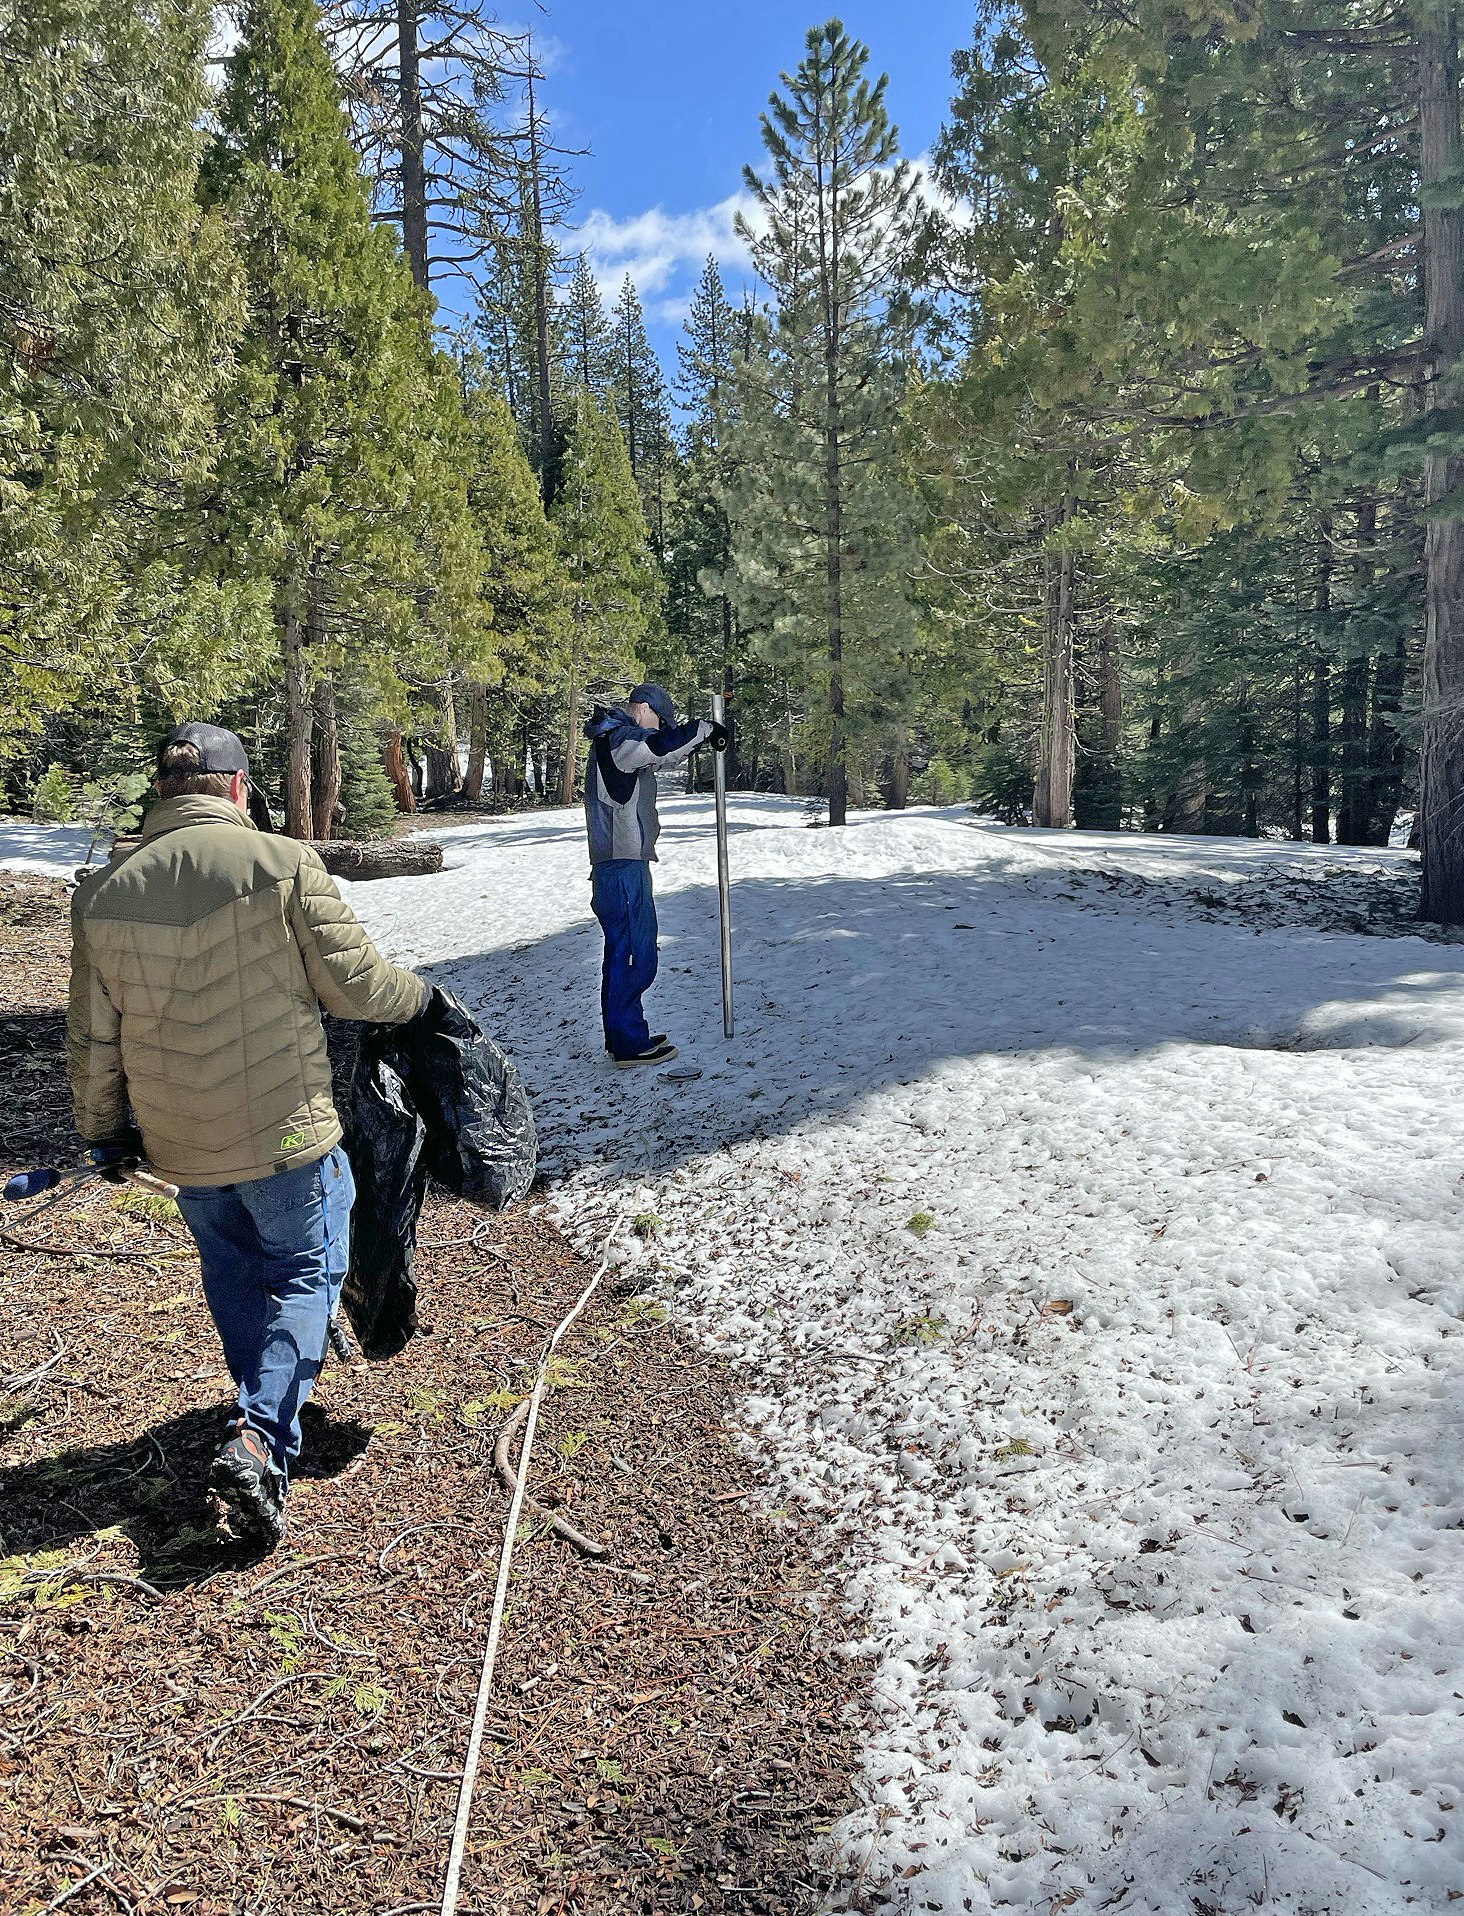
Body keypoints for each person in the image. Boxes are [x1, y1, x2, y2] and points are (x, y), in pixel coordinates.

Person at [65, 722, 427, 1547]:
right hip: (283, 1134)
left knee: (231, 1268)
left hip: (180, 1144)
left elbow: (93, 1034)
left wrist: (103, 1132)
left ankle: (253, 1406)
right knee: (306, 1272)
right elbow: (359, 987)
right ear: (237, 788)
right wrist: (426, 1007)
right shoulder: (284, 862)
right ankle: (262, 1435)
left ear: (163, 792)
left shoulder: (104, 891)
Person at [583, 684, 728, 1066]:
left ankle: (625, 1034)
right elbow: (657, 747)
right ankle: (630, 1044)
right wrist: (701, 728)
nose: (659, 728)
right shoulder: (620, 738)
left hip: (620, 865)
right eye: (660, 720)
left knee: (625, 952)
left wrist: (699, 739)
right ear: (644, 709)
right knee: (634, 954)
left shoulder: (616, 739)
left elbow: (664, 756)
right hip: (621, 867)